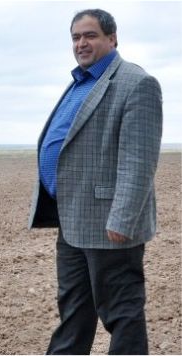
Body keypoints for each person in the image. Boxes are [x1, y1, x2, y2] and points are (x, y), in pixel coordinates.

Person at [28, 9, 162, 355]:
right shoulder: (80, 84)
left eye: (90, 36)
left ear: (112, 38)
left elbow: (139, 159)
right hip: (72, 221)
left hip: (109, 225)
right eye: (75, 37)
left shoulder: (136, 83)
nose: (81, 43)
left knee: (122, 313)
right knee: (73, 313)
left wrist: (123, 218)